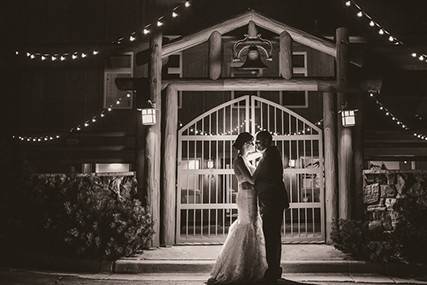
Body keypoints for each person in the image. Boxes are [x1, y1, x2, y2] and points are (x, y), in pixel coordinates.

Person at [207, 132, 267, 285]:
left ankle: (251, 265)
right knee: (246, 226)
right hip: (246, 197)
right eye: (252, 143)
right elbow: (252, 179)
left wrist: (261, 159)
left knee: (253, 226)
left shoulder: (246, 159)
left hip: (252, 196)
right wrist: (262, 167)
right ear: (245, 144)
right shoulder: (238, 161)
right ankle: (238, 266)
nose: (254, 146)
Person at [253, 130, 289, 283]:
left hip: (271, 202)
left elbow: (255, 177)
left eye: (258, 142)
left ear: (266, 141)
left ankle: (273, 270)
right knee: (274, 236)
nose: (256, 145)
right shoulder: (272, 154)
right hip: (274, 201)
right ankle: (275, 268)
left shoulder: (269, 156)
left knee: (271, 236)